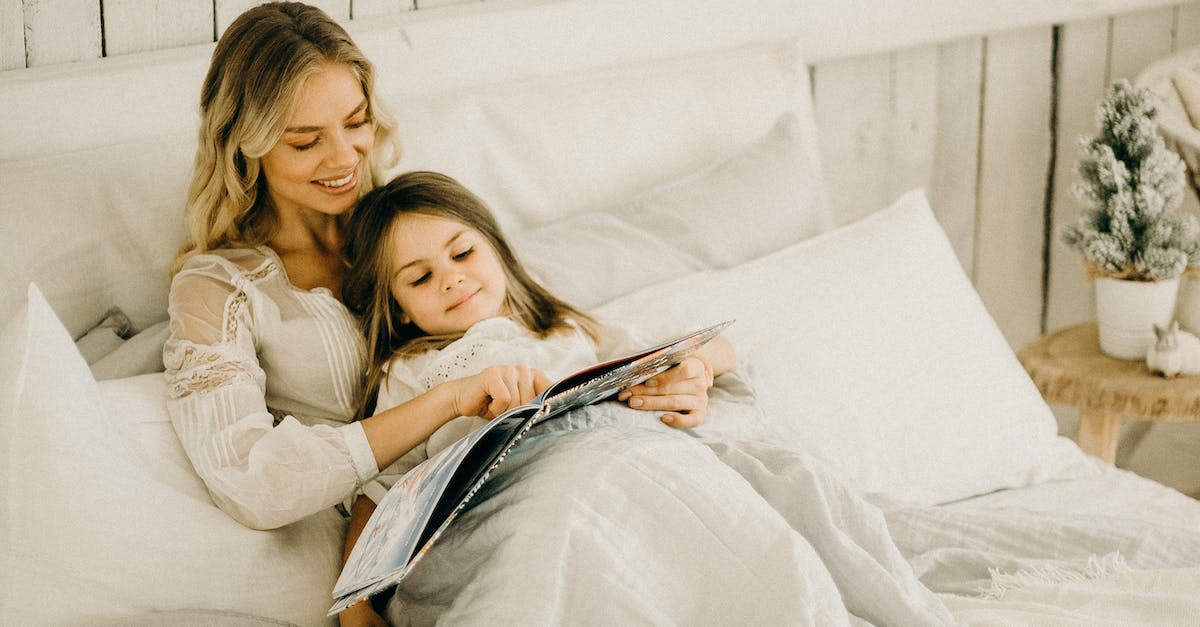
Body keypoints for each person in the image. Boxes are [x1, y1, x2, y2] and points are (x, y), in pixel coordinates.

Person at [162, 4, 728, 625]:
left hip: (547, 472)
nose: (345, 156)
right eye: (304, 141)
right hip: (420, 533)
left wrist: (685, 374)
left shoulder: (415, 228)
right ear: (245, 143)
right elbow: (253, 484)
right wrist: (450, 400)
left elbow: (552, 335)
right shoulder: (219, 289)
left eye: (357, 122)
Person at [337, 170, 736, 625]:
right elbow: (378, 494)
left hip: (617, 466)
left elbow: (708, 347)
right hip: (519, 509)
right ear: (398, 310)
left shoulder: (563, 329)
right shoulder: (411, 373)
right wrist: (356, 609)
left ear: (497, 250)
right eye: (421, 277)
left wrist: (696, 370)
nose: (451, 279)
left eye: (463, 253)